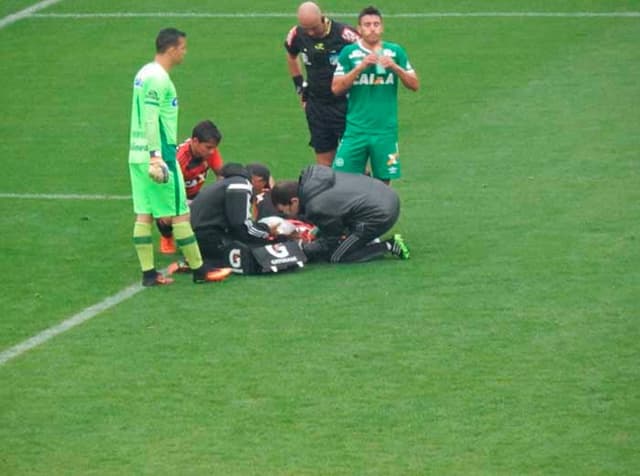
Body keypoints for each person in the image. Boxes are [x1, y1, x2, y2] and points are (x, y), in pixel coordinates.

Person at [127, 28, 227, 286]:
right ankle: (200, 271)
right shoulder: (159, 79)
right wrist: (156, 157)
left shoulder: (143, 73)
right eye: (183, 48)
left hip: (135, 154)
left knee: (144, 214)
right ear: (171, 49)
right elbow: (151, 118)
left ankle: (149, 274)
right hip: (159, 156)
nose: (185, 52)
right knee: (180, 213)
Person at [331, 6, 419, 183]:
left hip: (385, 130)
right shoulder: (349, 53)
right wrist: (360, 67)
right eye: (367, 24)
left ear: (382, 27)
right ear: (360, 28)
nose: (372, 28)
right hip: (356, 129)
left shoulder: (395, 52)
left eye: (376, 24)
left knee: (383, 181)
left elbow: (414, 84)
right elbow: (336, 89)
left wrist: (395, 67)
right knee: (343, 178)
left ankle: (380, 211)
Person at [271, 165, 410, 263]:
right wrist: (318, 231)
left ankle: (389, 245)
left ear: (294, 201)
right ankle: (366, 239)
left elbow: (332, 240)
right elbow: (336, 209)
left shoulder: (316, 207)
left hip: (381, 215)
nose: (288, 216)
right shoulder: (314, 175)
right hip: (384, 195)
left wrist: (304, 248)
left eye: (285, 211)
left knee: (337, 256)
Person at [284, 1, 359, 166]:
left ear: (322, 17)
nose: (310, 32)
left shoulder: (345, 35)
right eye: (306, 28)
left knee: (355, 159)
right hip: (317, 106)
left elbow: (365, 55)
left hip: (346, 104)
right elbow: (291, 55)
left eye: (314, 27)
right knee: (324, 164)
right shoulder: (297, 34)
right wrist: (300, 86)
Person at [157, 120, 224, 254]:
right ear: (195, 141)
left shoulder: (211, 152)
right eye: (208, 147)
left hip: (196, 194)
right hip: (174, 195)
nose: (212, 152)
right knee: (167, 217)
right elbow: (165, 190)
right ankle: (166, 235)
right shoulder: (179, 159)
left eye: (214, 148)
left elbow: (221, 175)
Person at [188, 163, 276, 266]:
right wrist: (268, 232)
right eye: (264, 185)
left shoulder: (223, 183)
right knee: (264, 247)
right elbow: (241, 225)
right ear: (259, 179)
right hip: (209, 240)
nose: (262, 190)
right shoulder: (241, 185)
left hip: (193, 240)